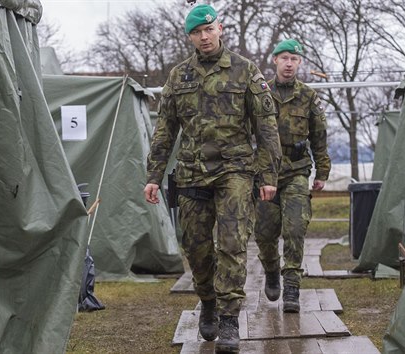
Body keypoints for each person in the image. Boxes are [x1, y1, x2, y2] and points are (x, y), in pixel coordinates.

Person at [143, 4, 281, 353]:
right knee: (197, 248)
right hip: (191, 173)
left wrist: (268, 175)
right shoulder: (178, 76)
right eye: (196, 32)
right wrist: (154, 175)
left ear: (220, 29)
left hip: (234, 170)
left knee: (232, 243)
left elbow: (266, 129)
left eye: (208, 30)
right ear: (190, 36)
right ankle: (208, 301)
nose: (204, 37)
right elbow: (165, 130)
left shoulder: (245, 71)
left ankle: (230, 318)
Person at [254, 39, 331, 313]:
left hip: (297, 171)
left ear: (300, 63)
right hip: (265, 174)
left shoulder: (308, 96)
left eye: (294, 59)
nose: (289, 63)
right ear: (275, 60)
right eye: (284, 57)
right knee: (264, 234)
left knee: (295, 227)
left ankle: (292, 288)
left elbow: (319, 136)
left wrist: (322, 171)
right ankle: (272, 270)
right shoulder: (259, 92)